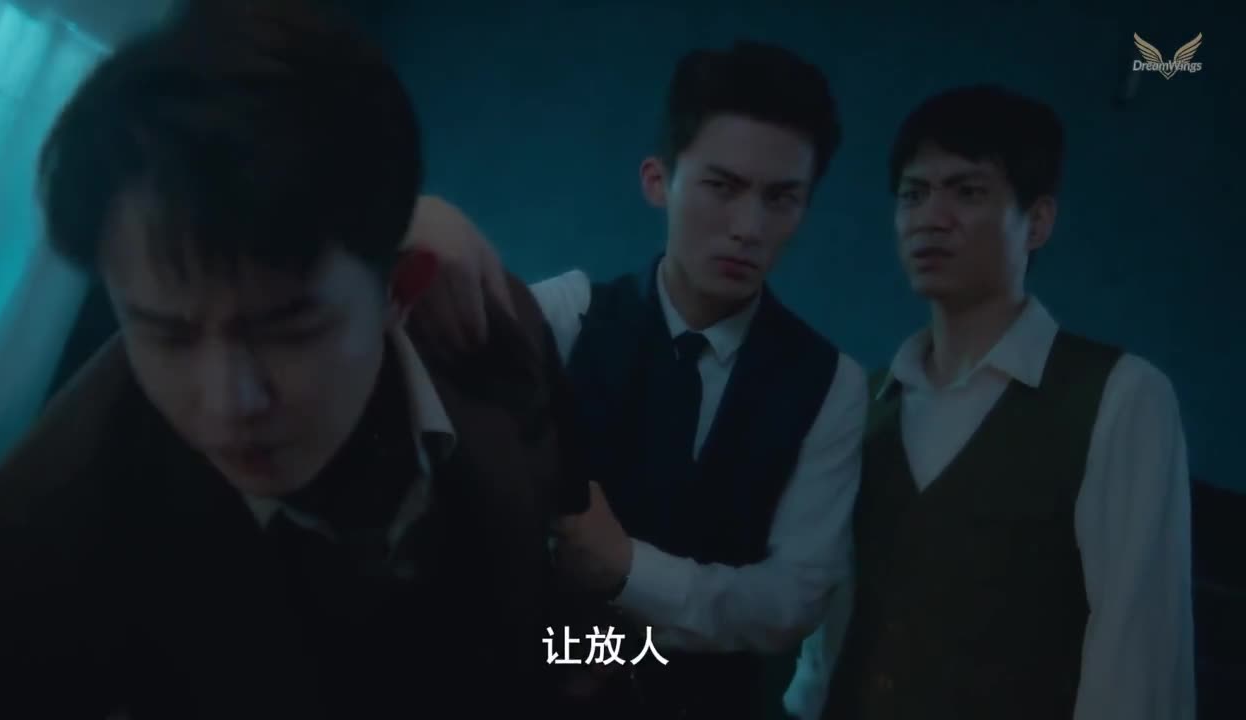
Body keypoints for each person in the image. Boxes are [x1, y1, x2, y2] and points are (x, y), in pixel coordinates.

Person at [0, 2, 592, 717]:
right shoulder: (30, 569)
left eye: (287, 330)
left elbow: (561, 549)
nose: (227, 403)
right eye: (166, 335)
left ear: (400, 288)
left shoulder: (498, 326)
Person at [408, 41, 868, 717]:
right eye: (722, 186)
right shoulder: (565, 317)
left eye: (781, 198)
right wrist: (417, 223)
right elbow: (409, 396)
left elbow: (790, 601)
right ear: (658, 180)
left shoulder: (831, 384)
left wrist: (627, 569)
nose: (748, 227)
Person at [785, 85, 1196, 720]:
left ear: (1038, 221)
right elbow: (828, 636)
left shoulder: (1120, 396)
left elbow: (1136, 654)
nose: (931, 217)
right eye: (913, 194)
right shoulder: (863, 401)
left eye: (967, 192)